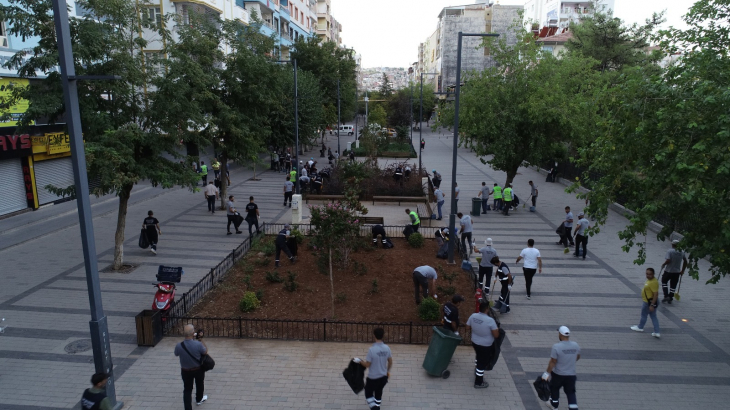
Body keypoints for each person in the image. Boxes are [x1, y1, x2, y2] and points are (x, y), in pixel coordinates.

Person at [542, 326, 580, 410]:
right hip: (571, 374)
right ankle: (573, 408)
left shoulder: (556, 347)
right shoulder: (575, 345)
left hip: (558, 374)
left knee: (554, 389)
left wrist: (547, 373)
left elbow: (553, 361)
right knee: (571, 392)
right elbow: (577, 357)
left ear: (560, 334)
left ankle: (554, 406)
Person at [466, 301, 500, 389]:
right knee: (482, 363)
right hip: (486, 345)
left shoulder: (473, 316)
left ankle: (476, 369)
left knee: (478, 355)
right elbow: (496, 335)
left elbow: (467, 327)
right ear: (486, 309)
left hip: (475, 342)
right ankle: (479, 382)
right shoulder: (490, 321)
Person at [355, 328, 392, 410]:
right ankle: (377, 405)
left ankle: (375, 408)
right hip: (383, 377)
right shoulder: (387, 348)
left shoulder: (372, 350)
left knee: (368, 393)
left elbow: (367, 365)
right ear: (383, 336)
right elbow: (390, 361)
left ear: (374, 336)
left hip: (373, 378)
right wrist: (387, 371)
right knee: (379, 392)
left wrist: (360, 361)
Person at [174, 324, 208, 409]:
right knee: (199, 384)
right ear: (193, 333)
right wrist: (201, 339)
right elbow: (205, 352)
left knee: (187, 389)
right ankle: (199, 399)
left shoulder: (179, 345)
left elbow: (176, 354)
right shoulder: (197, 344)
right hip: (198, 369)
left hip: (185, 371)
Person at [630, 268, 661, 338]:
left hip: (648, 302)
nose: (648, 275)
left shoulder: (653, 282)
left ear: (653, 274)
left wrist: (652, 305)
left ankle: (640, 327)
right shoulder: (651, 280)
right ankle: (657, 332)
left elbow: (656, 294)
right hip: (649, 302)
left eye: (650, 274)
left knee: (644, 315)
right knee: (653, 316)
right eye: (647, 274)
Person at [661, 240, 688, 304]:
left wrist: (663, 264)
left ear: (672, 244)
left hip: (668, 270)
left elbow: (668, 260)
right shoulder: (682, 252)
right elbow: (685, 261)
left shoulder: (670, 251)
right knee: (673, 285)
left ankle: (666, 295)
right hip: (677, 272)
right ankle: (670, 297)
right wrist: (682, 270)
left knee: (664, 281)